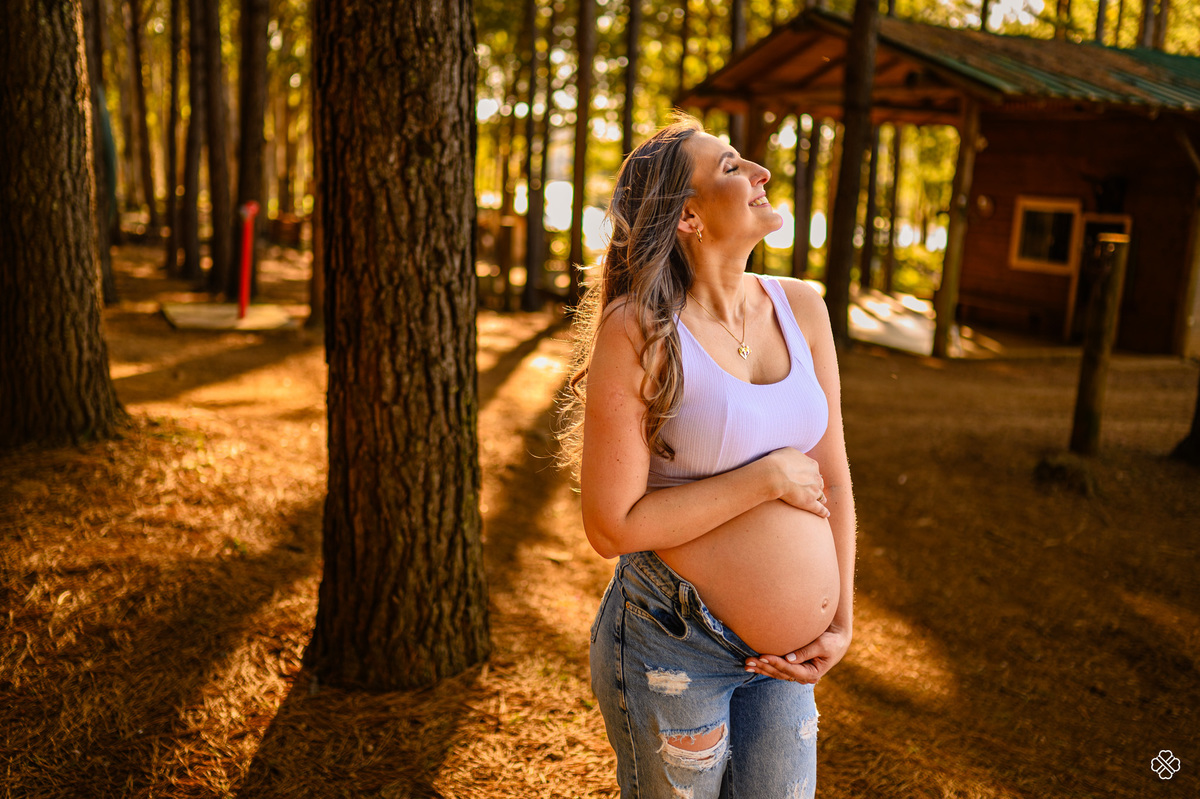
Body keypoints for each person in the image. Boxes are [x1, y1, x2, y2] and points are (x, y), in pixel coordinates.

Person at [557, 112, 856, 798]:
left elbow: (834, 474)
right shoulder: (640, 330)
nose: (761, 172)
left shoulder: (804, 308)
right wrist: (764, 479)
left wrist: (840, 619)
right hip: (674, 641)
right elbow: (612, 527)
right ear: (689, 217)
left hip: (786, 660)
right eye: (730, 166)